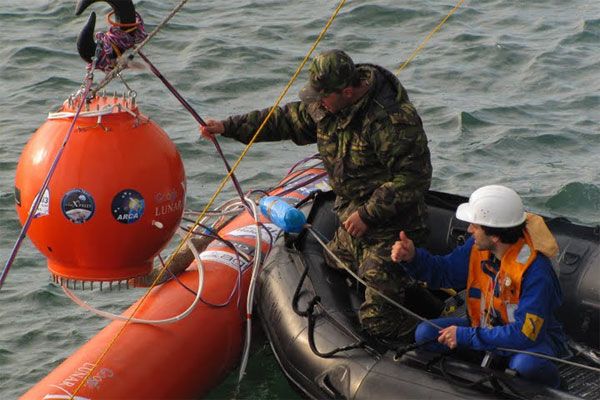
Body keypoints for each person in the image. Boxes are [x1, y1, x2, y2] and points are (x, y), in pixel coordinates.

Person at [200, 49, 432, 340]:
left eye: (323, 97)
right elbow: (284, 120)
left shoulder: (392, 122)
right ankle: (401, 292)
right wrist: (228, 127)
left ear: (347, 91)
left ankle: (433, 331)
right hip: (352, 221)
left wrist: (369, 213)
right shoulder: (327, 107)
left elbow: (414, 178)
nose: (317, 103)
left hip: (394, 229)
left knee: (378, 322)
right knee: (326, 265)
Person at [391, 185, 566, 388]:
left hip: (528, 342)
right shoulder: (476, 249)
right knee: (425, 334)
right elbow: (444, 272)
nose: (469, 229)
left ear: (495, 236)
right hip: (486, 329)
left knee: (526, 364)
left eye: (476, 225)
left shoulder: (536, 272)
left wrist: (466, 336)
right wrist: (412, 258)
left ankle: (556, 388)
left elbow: (524, 335)